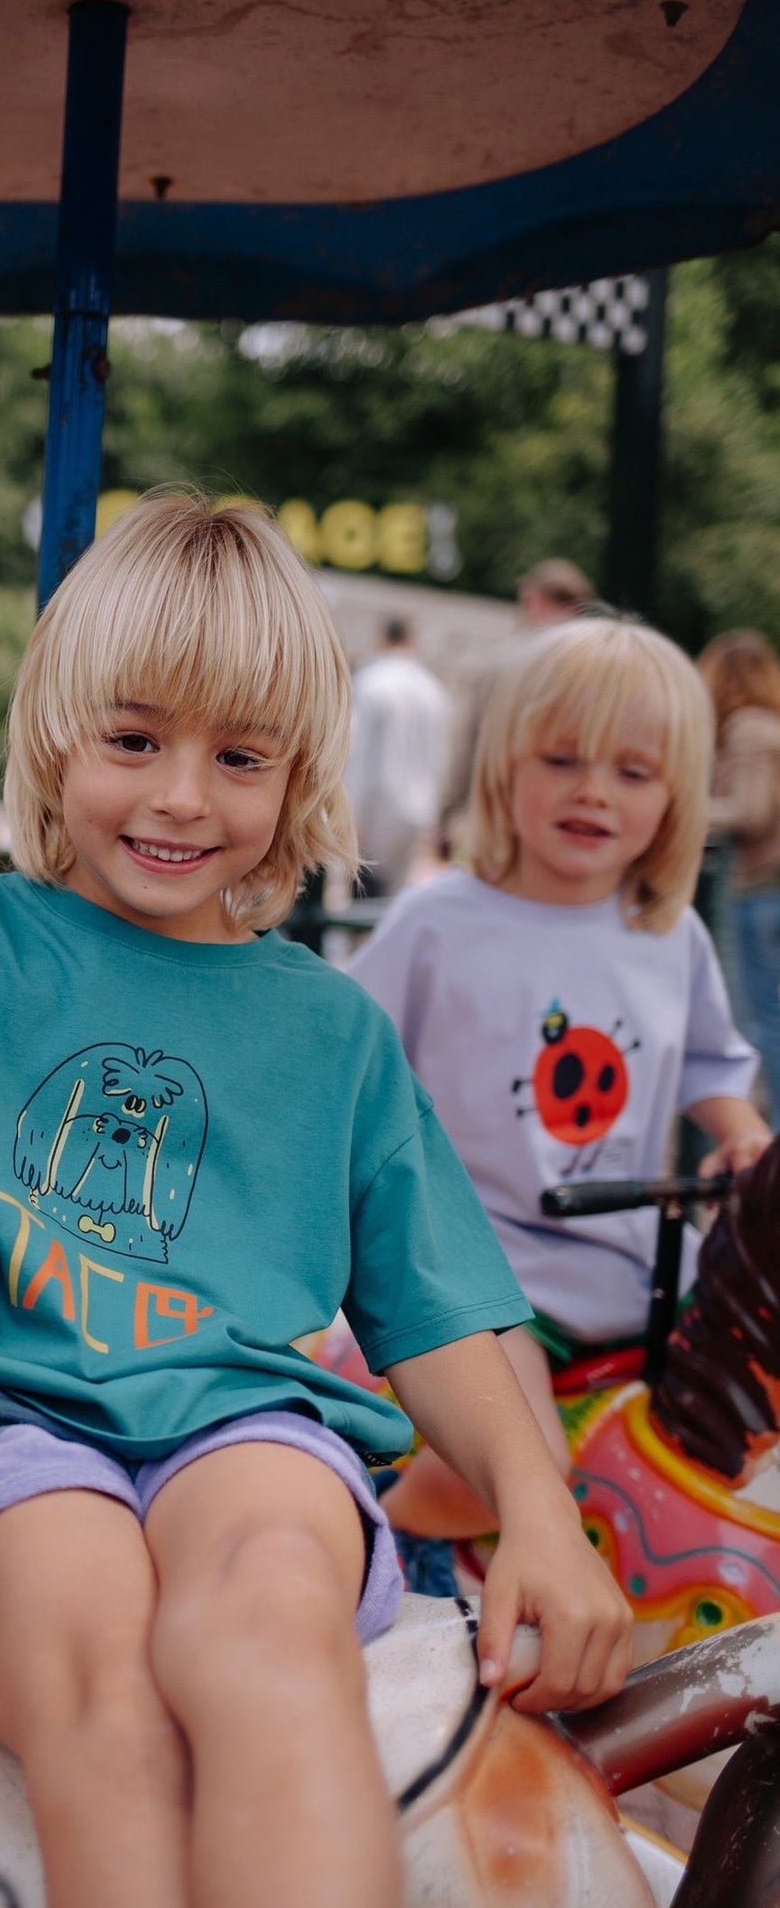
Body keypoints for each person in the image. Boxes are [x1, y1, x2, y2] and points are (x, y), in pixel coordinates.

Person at [0, 495, 632, 1908]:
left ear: (299, 780)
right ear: (55, 736)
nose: (179, 796)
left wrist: (540, 1508)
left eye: (240, 757)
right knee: (99, 1678)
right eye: (135, 739)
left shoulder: (332, 1030)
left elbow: (446, 1310)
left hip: (241, 1418)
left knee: (273, 1613)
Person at [351, 616, 768, 1543]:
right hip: (480, 1270)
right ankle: (378, 1534)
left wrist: (739, 1132)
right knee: (516, 1473)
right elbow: (343, 1060)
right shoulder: (435, 922)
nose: (593, 791)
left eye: (633, 771)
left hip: (643, 1265)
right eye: (561, 759)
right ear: (505, 765)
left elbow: (711, 1062)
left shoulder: (668, 934)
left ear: (675, 797)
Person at [438, 555, 595, 856]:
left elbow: (469, 747)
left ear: (532, 599)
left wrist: (446, 814)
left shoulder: (499, 664)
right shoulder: (598, 674)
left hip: (490, 823)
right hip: (563, 831)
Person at [699, 628, 780, 1113]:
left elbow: (751, 812)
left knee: (762, 1019)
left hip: (760, 889)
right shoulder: (770, 724)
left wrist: (686, 807)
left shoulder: (748, 728)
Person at [343, 616, 452, 895]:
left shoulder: (372, 681)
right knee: (395, 895)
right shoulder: (432, 689)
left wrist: (352, 813)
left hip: (377, 806)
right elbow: (439, 759)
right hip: (418, 810)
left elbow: (359, 752)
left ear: (384, 638)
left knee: (362, 892)